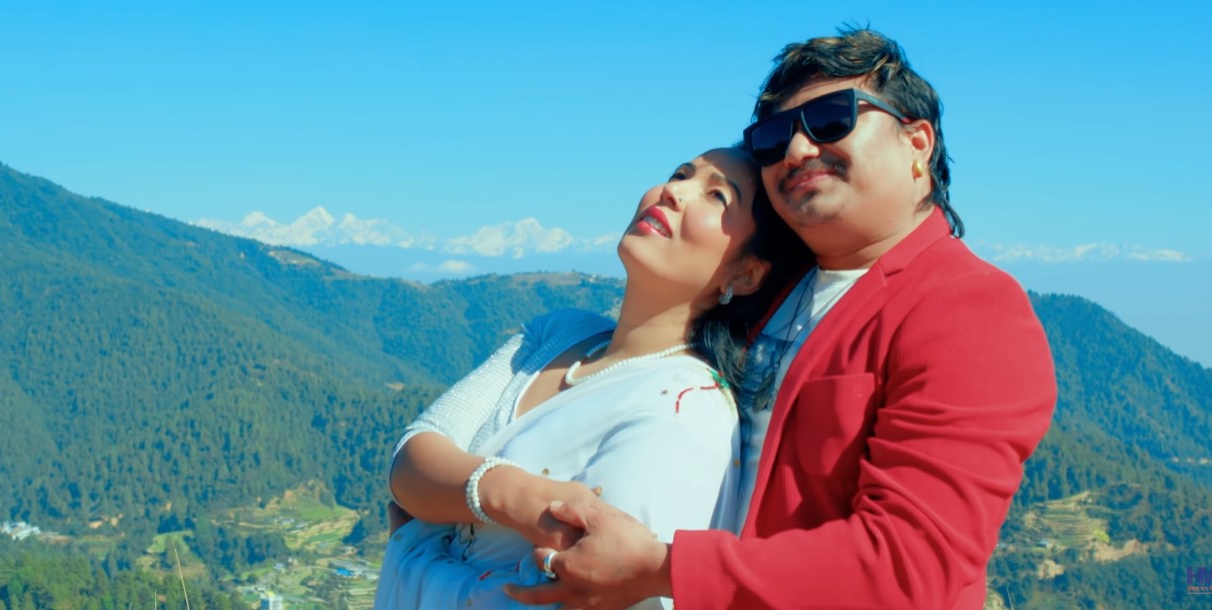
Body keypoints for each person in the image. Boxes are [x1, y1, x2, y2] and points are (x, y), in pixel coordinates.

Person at [505, 28, 1059, 610]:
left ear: (917, 142)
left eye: (831, 119)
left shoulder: (969, 307)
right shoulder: (772, 284)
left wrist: (662, 569)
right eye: (771, 139)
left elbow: (909, 566)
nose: (795, 151)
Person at [374, 148, 812, 609]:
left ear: (746, 274)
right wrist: (521, 498)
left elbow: (580, 594)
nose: (674, 191)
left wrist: (416, 546)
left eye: (717, 196)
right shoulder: (559, 331)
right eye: (680, 173)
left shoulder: (684, 405)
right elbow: (409, 461)